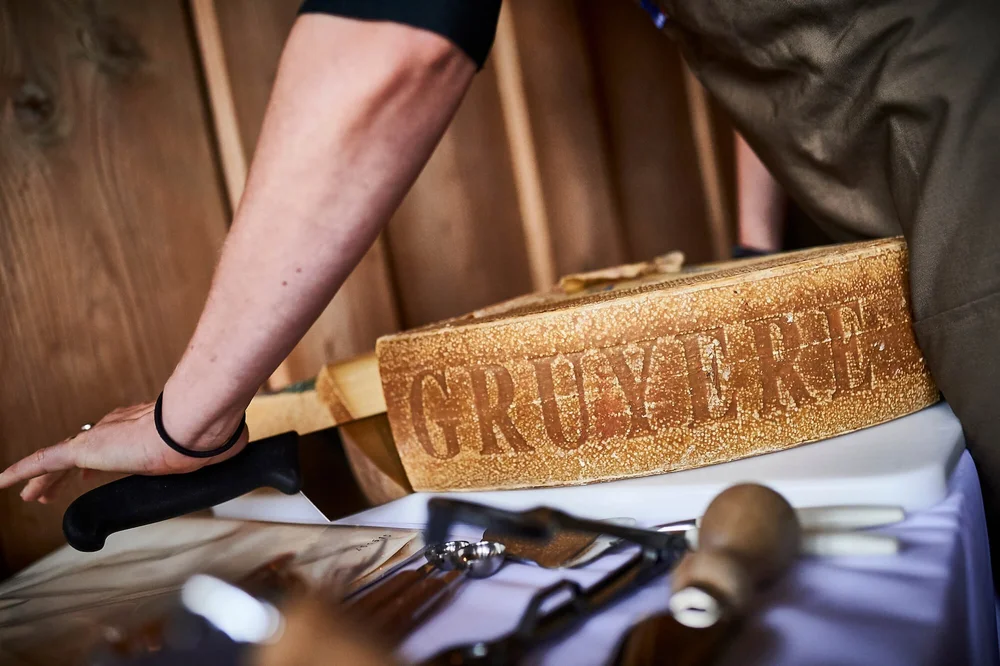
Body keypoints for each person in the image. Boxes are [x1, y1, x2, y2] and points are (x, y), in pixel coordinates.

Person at [3, 0, 1000, 571]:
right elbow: (773, 48)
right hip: (879, 173)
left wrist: (192, 421)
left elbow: (395, 47)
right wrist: (752, 252)